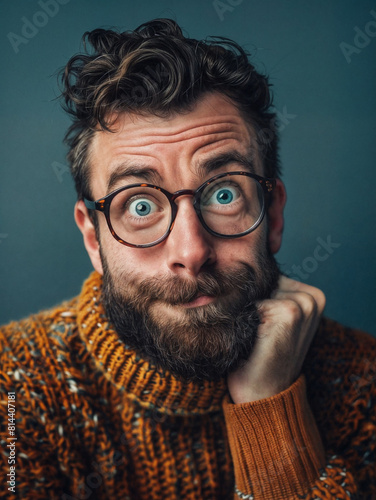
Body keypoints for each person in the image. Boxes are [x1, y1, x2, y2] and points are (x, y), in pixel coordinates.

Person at [0, 18, 375, 500]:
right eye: (140, 206)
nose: (192, 252)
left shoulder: (362, 384)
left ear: (274, 213)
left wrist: (271, 417)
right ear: (93, 238)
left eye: (223, 194)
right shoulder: (13, 390)